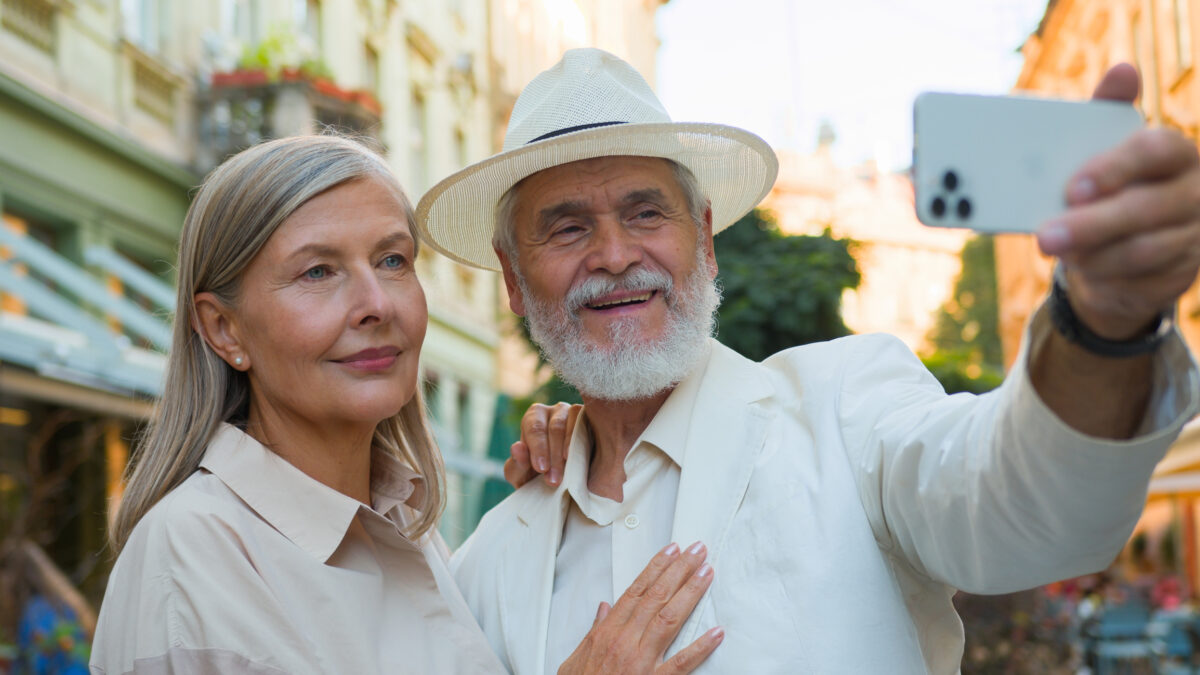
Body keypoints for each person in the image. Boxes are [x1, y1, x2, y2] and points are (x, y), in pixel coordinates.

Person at [414, 48, 1200, 673]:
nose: (616, 255)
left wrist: (1102, 323)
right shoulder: (489, 561)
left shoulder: (848, 408)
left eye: (646, 211)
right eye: (566, 227)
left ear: (706, 241)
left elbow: (1026, 508)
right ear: (514, 280)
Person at [88, 134, 723, 674]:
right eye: (318, 272)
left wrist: (591, 445)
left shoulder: (414, 539)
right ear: (224, 330)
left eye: (392, 260)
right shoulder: (191, 553)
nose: (377, 304)